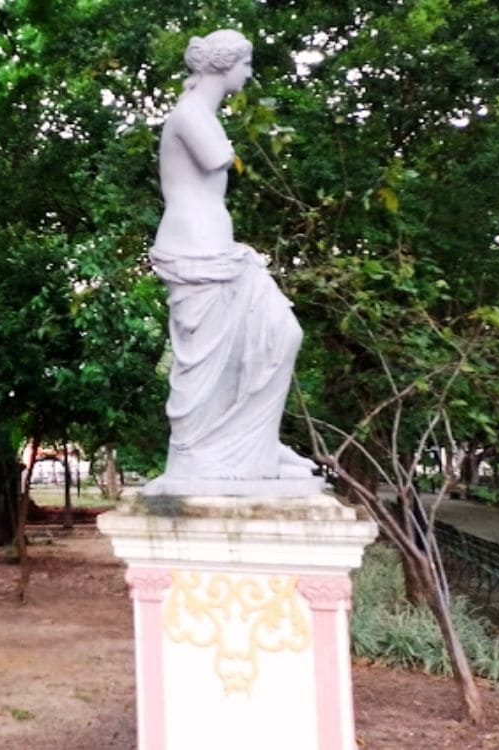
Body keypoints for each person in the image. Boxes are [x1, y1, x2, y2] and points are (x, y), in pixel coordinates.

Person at [145, 30, 313, 491]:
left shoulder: (201, 113)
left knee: (279, 334)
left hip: (218, 248)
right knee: (206, 363)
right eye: (246, 63)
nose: (250, 72)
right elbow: (221, 157)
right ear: (223, 64)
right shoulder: (191, 114)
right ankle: (206, 452)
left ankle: (254, 444)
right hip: (194, 249)